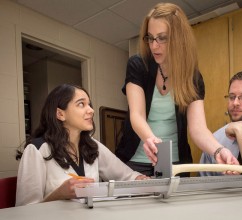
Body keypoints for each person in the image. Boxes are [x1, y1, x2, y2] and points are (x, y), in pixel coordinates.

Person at [115, 2, 238, 177]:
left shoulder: (192, 77)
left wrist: (219, 150)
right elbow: (137, 115)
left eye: (162, 38)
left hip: (176, 164)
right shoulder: (138, 65)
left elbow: (198, 129)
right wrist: (152, 141)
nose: (154, 46)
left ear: (179, 39)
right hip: (136, 160)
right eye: (150, 37)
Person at [15, 84, 148, 206]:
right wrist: (58, 195)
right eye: (81, 104)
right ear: (60, 114)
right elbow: (24, 210)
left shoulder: (94, 146)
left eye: (89, 105)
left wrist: (140, 179)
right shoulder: (36, 150)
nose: (91, 110)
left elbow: (126, 176)